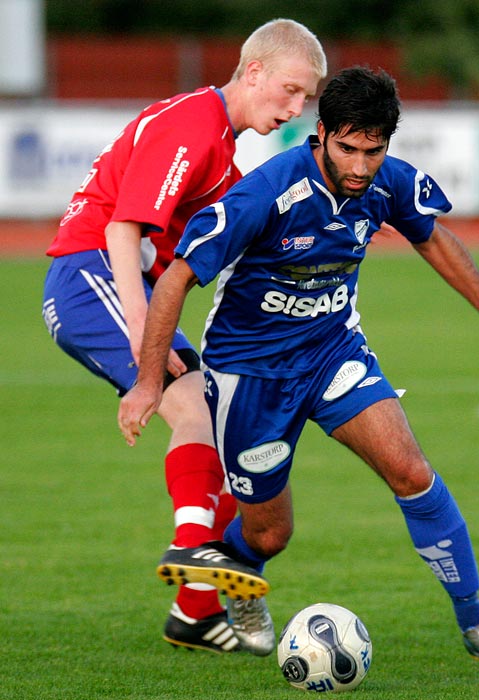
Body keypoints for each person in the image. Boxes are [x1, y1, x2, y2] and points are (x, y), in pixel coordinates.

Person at [117, 67, 479, 672]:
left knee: (411, 470)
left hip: (333, 353)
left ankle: (476, 618)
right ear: (319, 134)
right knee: (270, 534)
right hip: (251, 376)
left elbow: (433, 238)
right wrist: (146, 382)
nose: (359, 165)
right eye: (347, 148)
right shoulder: (267, 192)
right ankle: (241, 570)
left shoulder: (386, 183)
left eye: (373, 151)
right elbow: (175, 278)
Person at [41, 18, 327, 654]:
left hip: (124, 283)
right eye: (289, 90)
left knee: (221, 433)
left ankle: (194, 612)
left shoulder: (221, 147)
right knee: (195, 411)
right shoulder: (194, 126)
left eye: (305, 99)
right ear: (252, 71)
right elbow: (122, 231)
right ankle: (195, 543)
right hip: (91, 277)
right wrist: (148, 363)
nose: (295, 108)